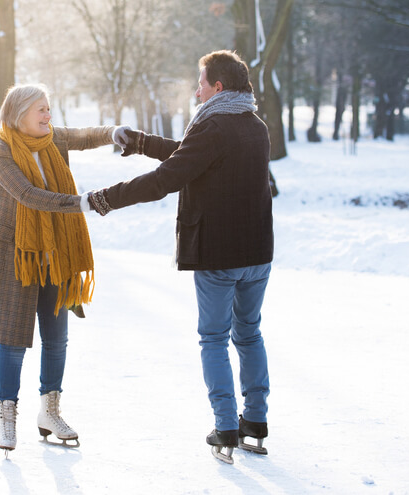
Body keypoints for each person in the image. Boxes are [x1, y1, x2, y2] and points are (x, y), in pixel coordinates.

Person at [87, 50, 274, 464]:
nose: (196, 90)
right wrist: (140, 142)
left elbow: (168, 178)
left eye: (201, 83)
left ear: (218, 88)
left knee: (213, 338)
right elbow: (192, 155)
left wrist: (105, 199)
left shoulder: (213, 127)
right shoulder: (254, 125)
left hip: (219, 256)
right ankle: (255, 423)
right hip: (258, 253)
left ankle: (226, 425)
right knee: (249, 335)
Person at [0, 83, 118, 456]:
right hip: (15, 252)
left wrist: (115, 133)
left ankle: (50, 411)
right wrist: (82, 204)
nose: (48, 116)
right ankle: (7, 415)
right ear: (18, 114)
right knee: (13, 340)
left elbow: (87, 135)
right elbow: (28, 195)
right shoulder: (0, 153)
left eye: (49, 108)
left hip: (55, 251)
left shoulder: (53, 141)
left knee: (57, 337)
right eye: (41, 110)